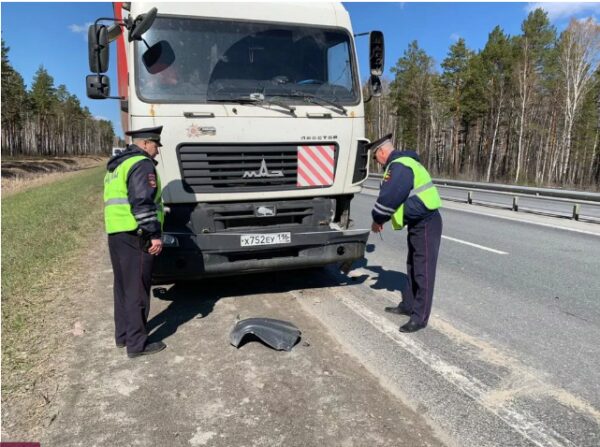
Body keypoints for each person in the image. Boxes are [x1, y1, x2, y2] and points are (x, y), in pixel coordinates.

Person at [369, 134, 443, 333]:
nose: (376, 162)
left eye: (375, 157)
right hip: (418, 221)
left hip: (427, 221)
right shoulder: (401, 163)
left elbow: (390, 197)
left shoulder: (400, 165)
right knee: (412, 266)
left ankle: (419, 318)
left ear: (382, 152)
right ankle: (408, 305)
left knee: (423, 271)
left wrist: (378, 219)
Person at [104, 125, 167, 358]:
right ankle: (137, 344)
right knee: (137, 291)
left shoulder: (118, 164)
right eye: (155, 145)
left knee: (122, 287)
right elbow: (142, 202)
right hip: (136, 234)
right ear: (144, 144)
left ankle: (123, 336)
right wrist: (154, 234)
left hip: (117, 233)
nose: (157, 151)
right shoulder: (141, 164)